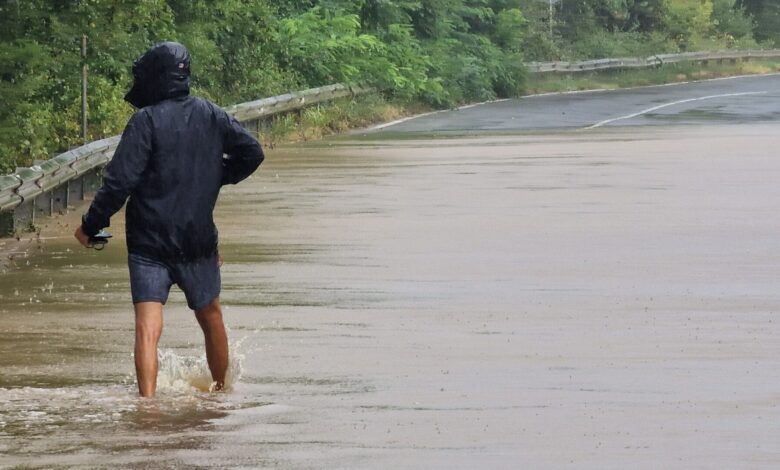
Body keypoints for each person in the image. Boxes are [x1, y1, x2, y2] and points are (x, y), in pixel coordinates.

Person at [74, 42, 264, 397]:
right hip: (199, 240)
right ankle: (222, 398)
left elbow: (119, 183)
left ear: (155, 77)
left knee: (147, 326)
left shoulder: (145, 121)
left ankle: (147, 405)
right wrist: (217, 173)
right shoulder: (211, 114)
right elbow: (252, 152)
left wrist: (89, 225)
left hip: (149, 242)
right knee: (211, 317)